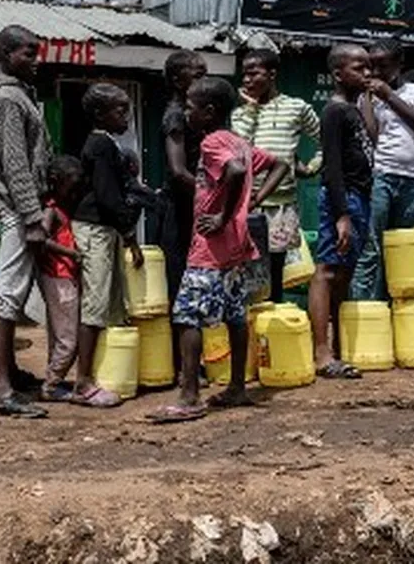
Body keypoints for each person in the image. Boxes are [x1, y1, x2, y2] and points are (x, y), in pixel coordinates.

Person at [147, 77, 285, 423]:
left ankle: (190, 396)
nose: (186, 113)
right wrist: (253, 199)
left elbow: (235, 170)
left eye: (190, 107)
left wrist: (223, 215)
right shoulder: (238, 141)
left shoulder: (212, 142)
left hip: (211, 247)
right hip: (238, 247)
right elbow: (280, 164)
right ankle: (237, 386)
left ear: (209, 112)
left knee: (187, 315)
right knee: (235, 316)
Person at [0, 24, 52, 418]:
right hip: (16, 210)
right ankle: (1, 388)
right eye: (28, 53)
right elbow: (15, 165)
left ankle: (8, 375)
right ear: (6, 55)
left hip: (17, 209)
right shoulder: (8, 99)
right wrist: (31, 216)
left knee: (15, 294)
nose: (36, 60)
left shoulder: (17, 94)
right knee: (7, 295)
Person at [349, 40, 414, 300]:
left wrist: (389, 96)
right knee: (373, 247)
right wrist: (369, 100)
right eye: (372, 66)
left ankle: (394, 306)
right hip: (381, 176)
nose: (376, 72)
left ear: (400, 64)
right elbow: (374, 137)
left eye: (383, 66)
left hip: (411, 180)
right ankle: (364, 307)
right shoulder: (368, 98)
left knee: (401, 247)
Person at [308, 44, 377, 380]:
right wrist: (342, 214)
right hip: (343, 198)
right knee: (327, 270)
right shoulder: (334, 111)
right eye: (359, 68)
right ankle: (322, 352)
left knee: (345, 273)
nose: (368, 73)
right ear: (338, 74)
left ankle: (337, 346)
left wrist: (368, 98)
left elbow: (373, 137)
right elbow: (332, 166)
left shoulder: (354, 108)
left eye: (369, 67)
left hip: (359, 197)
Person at [71, 83, 141, 408]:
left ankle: (107, 373)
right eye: (120, 110)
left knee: (111, 304)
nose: (126, 116)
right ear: (100, 114)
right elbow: (107, 196)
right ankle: (83, 382)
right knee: (96, 304)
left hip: (105, 229)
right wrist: (129, 233)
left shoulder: (107, 143)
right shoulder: (100, 145)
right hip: (95, 229)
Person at [231, 48, 321, 301]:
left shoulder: (296, 107)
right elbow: (241, 149)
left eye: (254, 74)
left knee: (276, 270)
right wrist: (250, 109)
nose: (247, 80)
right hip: (247, 204)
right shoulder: (239, 114)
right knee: (247, 271)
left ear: (272, 75)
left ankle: (274, 318)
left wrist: (311, 168)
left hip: (281, 205)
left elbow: (324, 139)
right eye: (244, 75)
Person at [160, 50, 208, 366]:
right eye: (198, 75)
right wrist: (211, 195)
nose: (205, 81)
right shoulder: (176, 116)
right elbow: (178, 171)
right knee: (180, 283)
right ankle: (180, 363)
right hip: (179, 210)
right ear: (179, 81)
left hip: (192, 208)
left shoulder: (194, 115)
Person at [38, 155, 84, 402]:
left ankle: (53, 378)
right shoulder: (51, 210)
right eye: (72, 186)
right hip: (59, 277)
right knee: (68, 338)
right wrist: (71, 253)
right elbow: (41, 240)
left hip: (62, 276)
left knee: (59, 335)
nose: (75, 193)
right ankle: (51, 384)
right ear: (56, 182)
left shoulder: (61, 209)